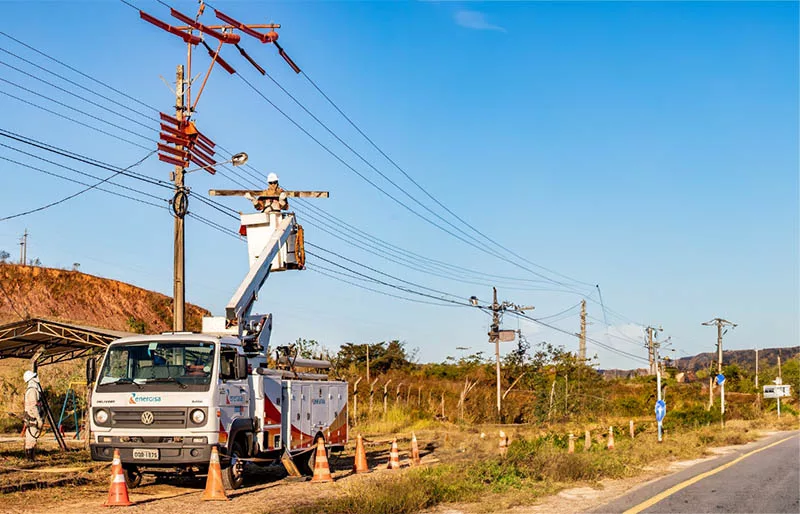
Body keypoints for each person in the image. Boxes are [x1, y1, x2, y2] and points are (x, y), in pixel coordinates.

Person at [23, 370, 43, 461]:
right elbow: (33, 406)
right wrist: (39, 419)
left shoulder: (32, 390)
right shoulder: (32, 391)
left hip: (31, 417)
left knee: (31, 438)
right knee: (31, 439)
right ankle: (30, 459)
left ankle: (31, 458)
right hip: (32, 418)